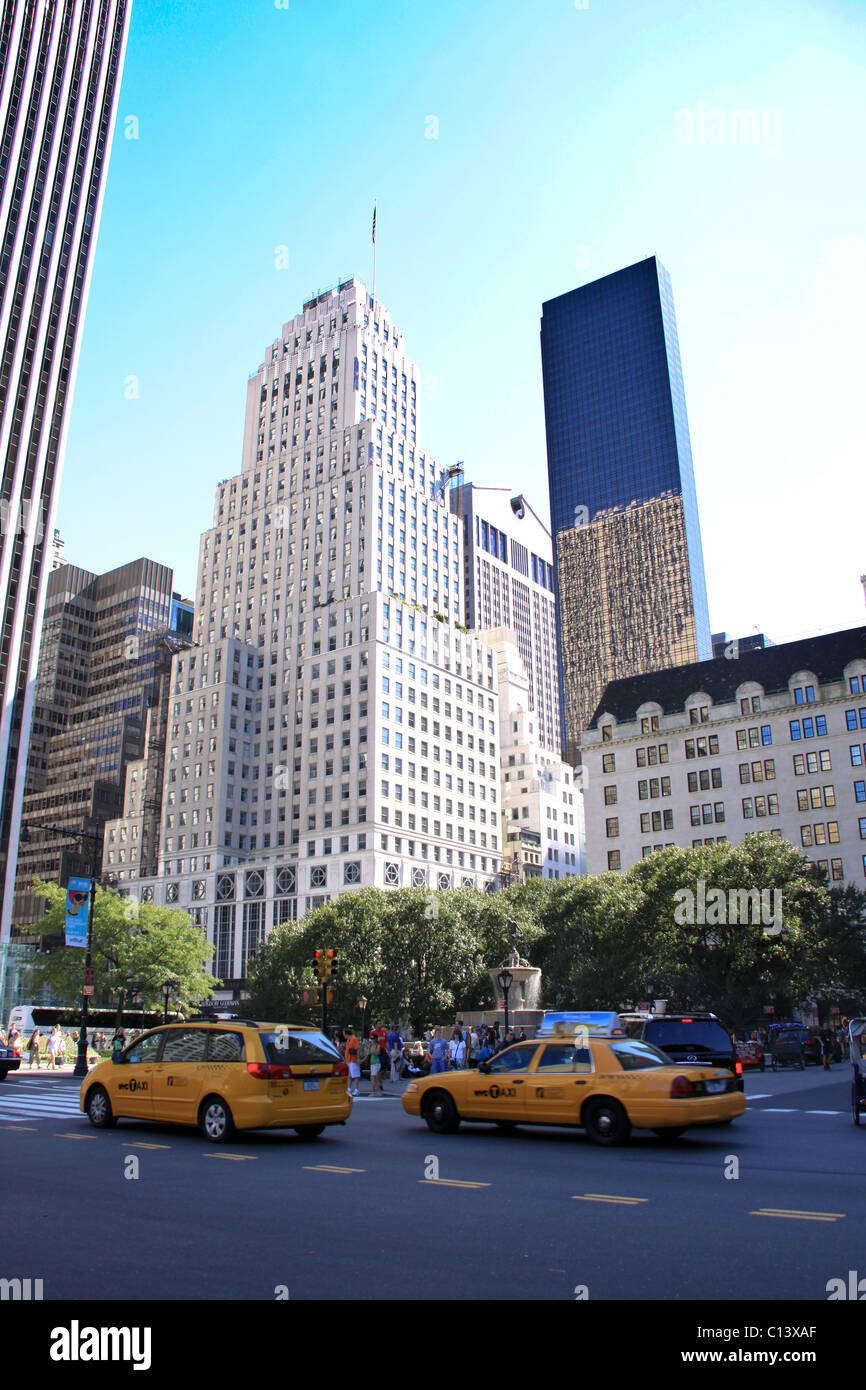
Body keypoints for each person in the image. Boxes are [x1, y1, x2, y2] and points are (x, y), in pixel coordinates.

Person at [344, 1026, 361, 1097]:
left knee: (355, 1075)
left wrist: (358, 1058)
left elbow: (357, 1049)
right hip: (349, 1060)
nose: (344, 1035)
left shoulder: (353, 1039)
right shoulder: (349, 1040)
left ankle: (356, 1089)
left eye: (344, 1034)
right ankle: (349, 1088)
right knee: (350, 1075)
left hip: (353, 1060)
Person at [368, 1031, 383, 1096]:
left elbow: (377, 1053)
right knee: (373, 1078)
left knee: (374, 1077)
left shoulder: (377, 1045)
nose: (372, 1040)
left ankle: (376, 1092)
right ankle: (374, 1092)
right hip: (372, 1062)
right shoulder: (371, 1045)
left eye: (373, 1039)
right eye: (372, 1039)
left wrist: (373, 1048)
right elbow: (368, 1054)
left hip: (376, 1063)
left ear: (376, 1039)